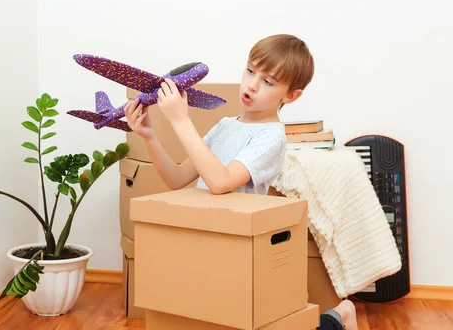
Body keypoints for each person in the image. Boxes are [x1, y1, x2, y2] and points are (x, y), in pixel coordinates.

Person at [124, 34, 358, 330]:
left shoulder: (271, 137)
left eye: (269, 82)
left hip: (243, 244)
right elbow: (177, 178)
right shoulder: (225, 125)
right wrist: (150, 136)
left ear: (291, 96)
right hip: (208, 230)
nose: (252, 85)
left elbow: (221, 182)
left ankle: (339, 316)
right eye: (250, 71)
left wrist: (180, 121)